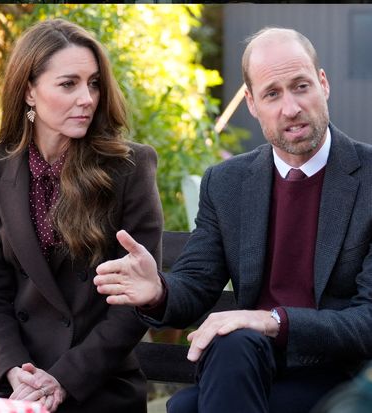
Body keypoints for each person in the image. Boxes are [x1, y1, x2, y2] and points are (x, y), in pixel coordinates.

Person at [94, 26, 372, 413]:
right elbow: (197, 281)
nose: (290, 107)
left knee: (188, 407)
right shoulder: (227, 182)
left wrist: (274, 320)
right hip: (247, 365)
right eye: (272, 94)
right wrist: (158, 290)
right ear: (252, 103)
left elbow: (368, 319)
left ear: (323, 84)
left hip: (339, 376)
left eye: (301, 86)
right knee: (231, 347)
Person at [0, 18, 163, 413]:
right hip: (15, 374)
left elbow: (136, 303)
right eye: (68, 84)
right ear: (30, 91)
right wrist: (14, 369)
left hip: (93, 377)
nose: (86, 97)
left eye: (94, 83)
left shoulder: (129, 167)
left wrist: (65, 378)